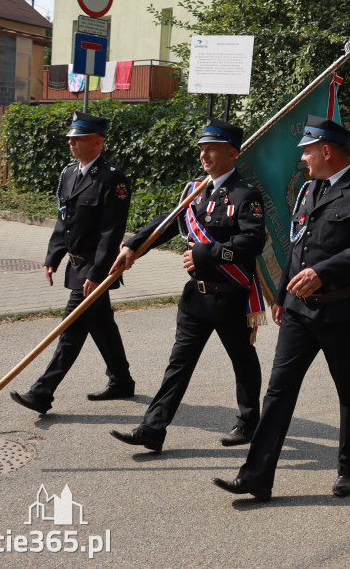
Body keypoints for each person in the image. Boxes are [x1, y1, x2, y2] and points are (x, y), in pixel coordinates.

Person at [212, 115, 350, 501]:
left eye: (307, 151)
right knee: (278, 391)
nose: (304, 159)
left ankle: (349, 466)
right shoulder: (310, 189)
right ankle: (256, 475)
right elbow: (297, 245)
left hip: (343, 311)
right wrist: (281, 295)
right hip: (298, 312)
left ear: (326, 150)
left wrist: (322, 273)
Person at [109, 118, 266, 452]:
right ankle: (152, 429)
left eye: (211, 148)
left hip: (230, 297)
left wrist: (206, 253)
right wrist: (131, 247)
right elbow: (165, 224)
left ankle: (249, 421)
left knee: (242, 359)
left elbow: (251, 242)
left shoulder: (246, 194)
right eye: (201, 149)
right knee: (178, 364)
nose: (204, 155)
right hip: (196, 297)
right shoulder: (195, 189)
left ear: (232, 153)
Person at [10, 113, 135, 415]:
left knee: (71, 329)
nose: (70, 143)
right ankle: (121, 380)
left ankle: (42, 392)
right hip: (77, 265)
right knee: (101, 324)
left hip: (94, 269)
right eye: (70, 138)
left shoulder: (112, 179)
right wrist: (53, 256)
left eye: (77, 138)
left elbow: (111, 233)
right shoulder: (69, 173)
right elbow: (64, 218)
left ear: (97, 141)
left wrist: (97, 273)